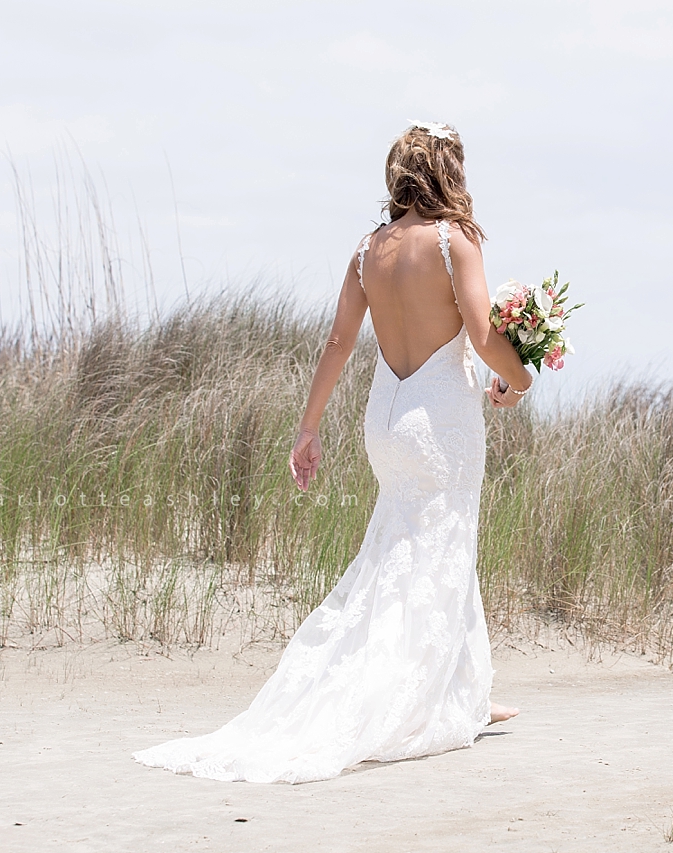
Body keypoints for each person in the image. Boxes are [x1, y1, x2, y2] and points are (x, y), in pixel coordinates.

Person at [132, 120, 531, 783]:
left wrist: (308, 426)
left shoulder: (366, 250)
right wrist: (520, 378)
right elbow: (485, 335)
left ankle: (463, 690)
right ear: (446, 174)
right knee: (441, 542)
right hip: (439, 419)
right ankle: (429, 698)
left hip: (387, 415)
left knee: (406, 545)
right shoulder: (454, 241)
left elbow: (338, 343)